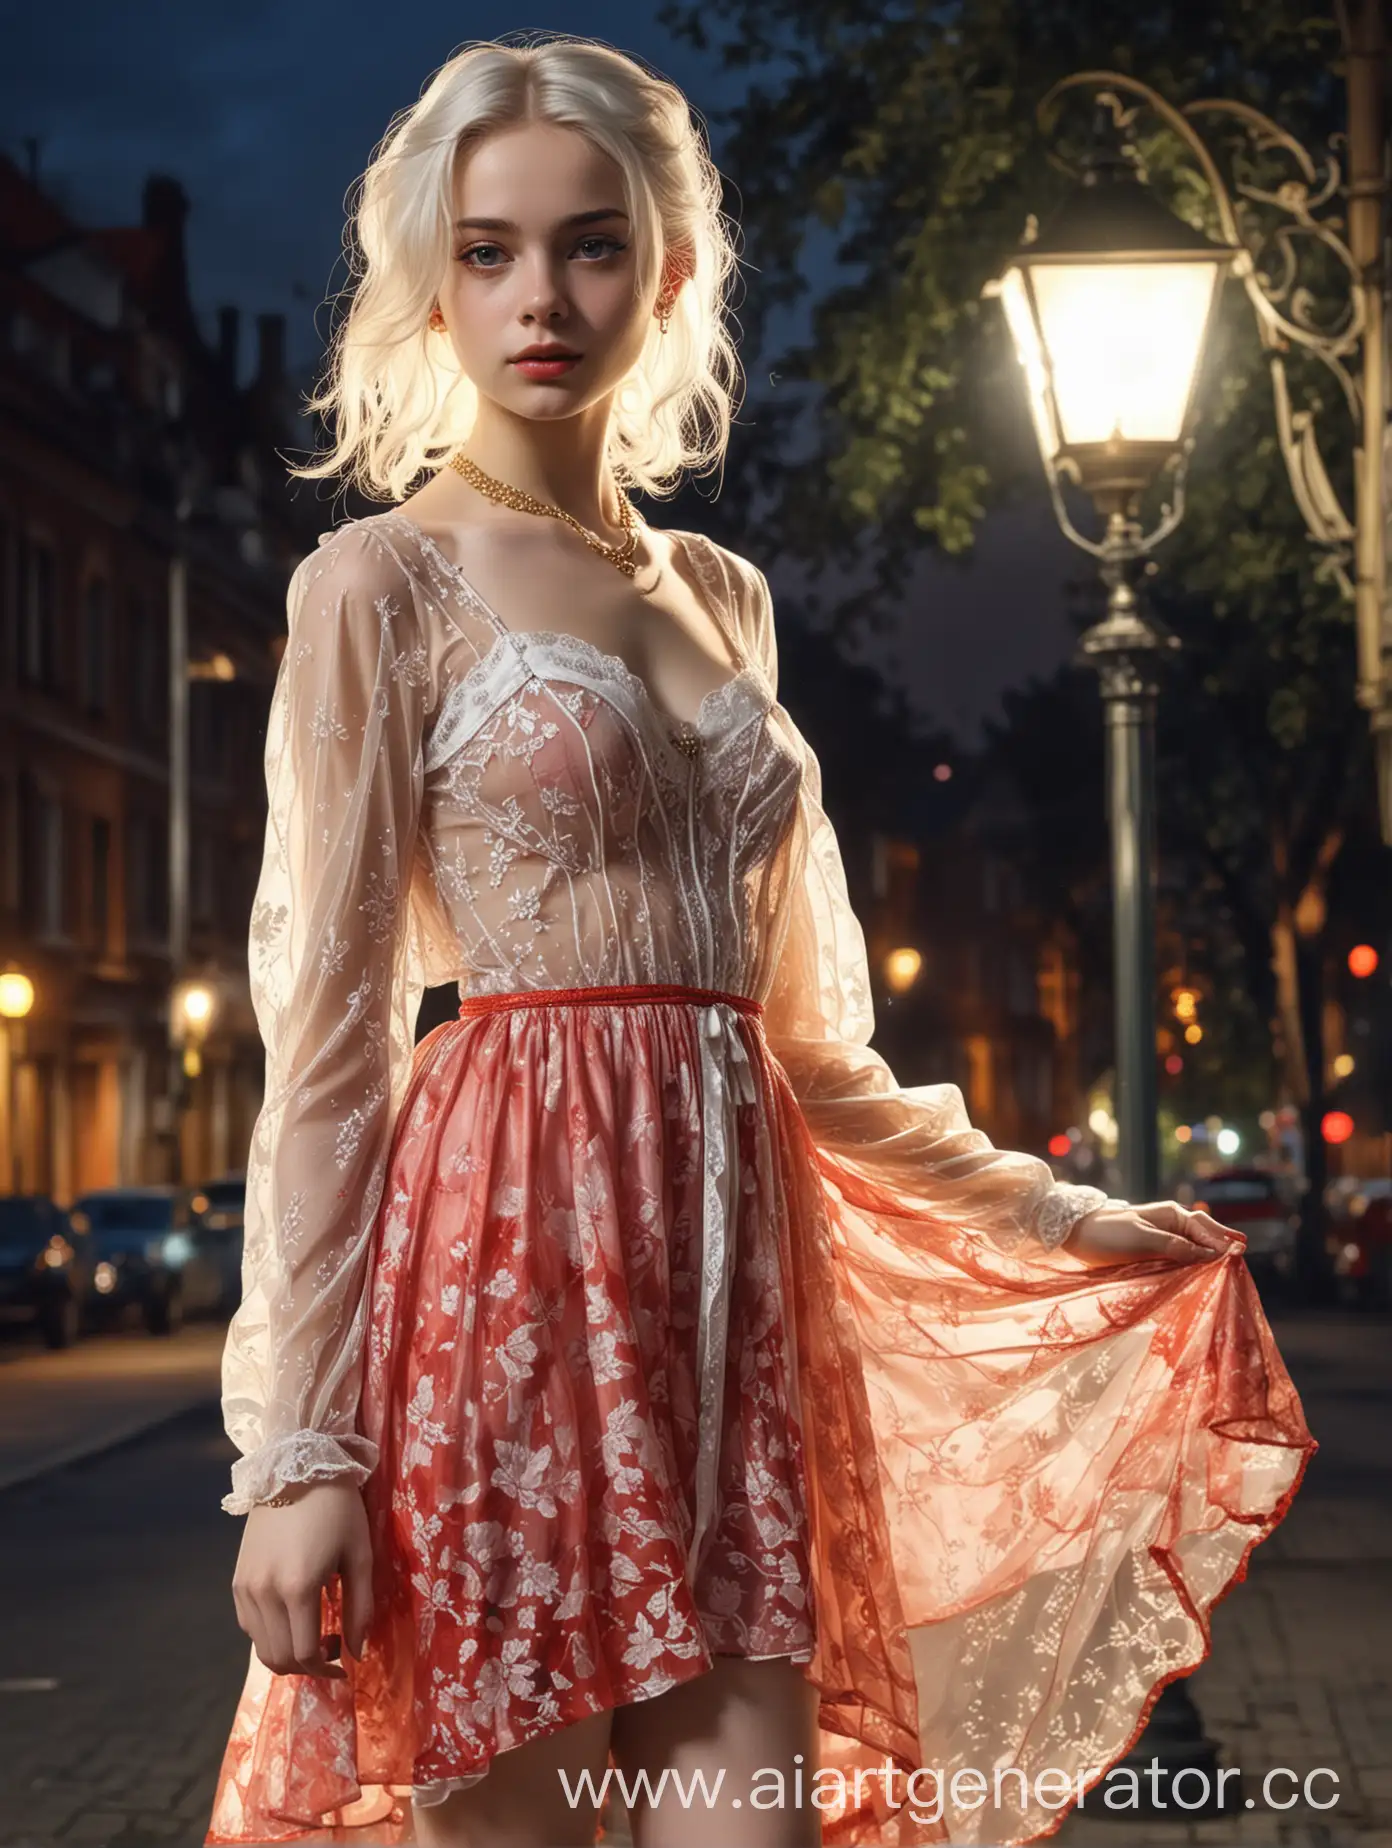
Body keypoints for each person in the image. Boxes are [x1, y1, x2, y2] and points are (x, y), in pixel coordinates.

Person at [205, 33, 1315, 1848]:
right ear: (428, 280)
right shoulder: (373, 588)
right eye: (486, 251)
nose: (538, 296)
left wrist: (1067, 1217)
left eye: (590, 244)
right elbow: (324, 1051)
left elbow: (810, 1051)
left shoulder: (725, 598)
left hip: (738, 1316)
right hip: (503, 1290)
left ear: (671, 269)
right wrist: (300, 1458)